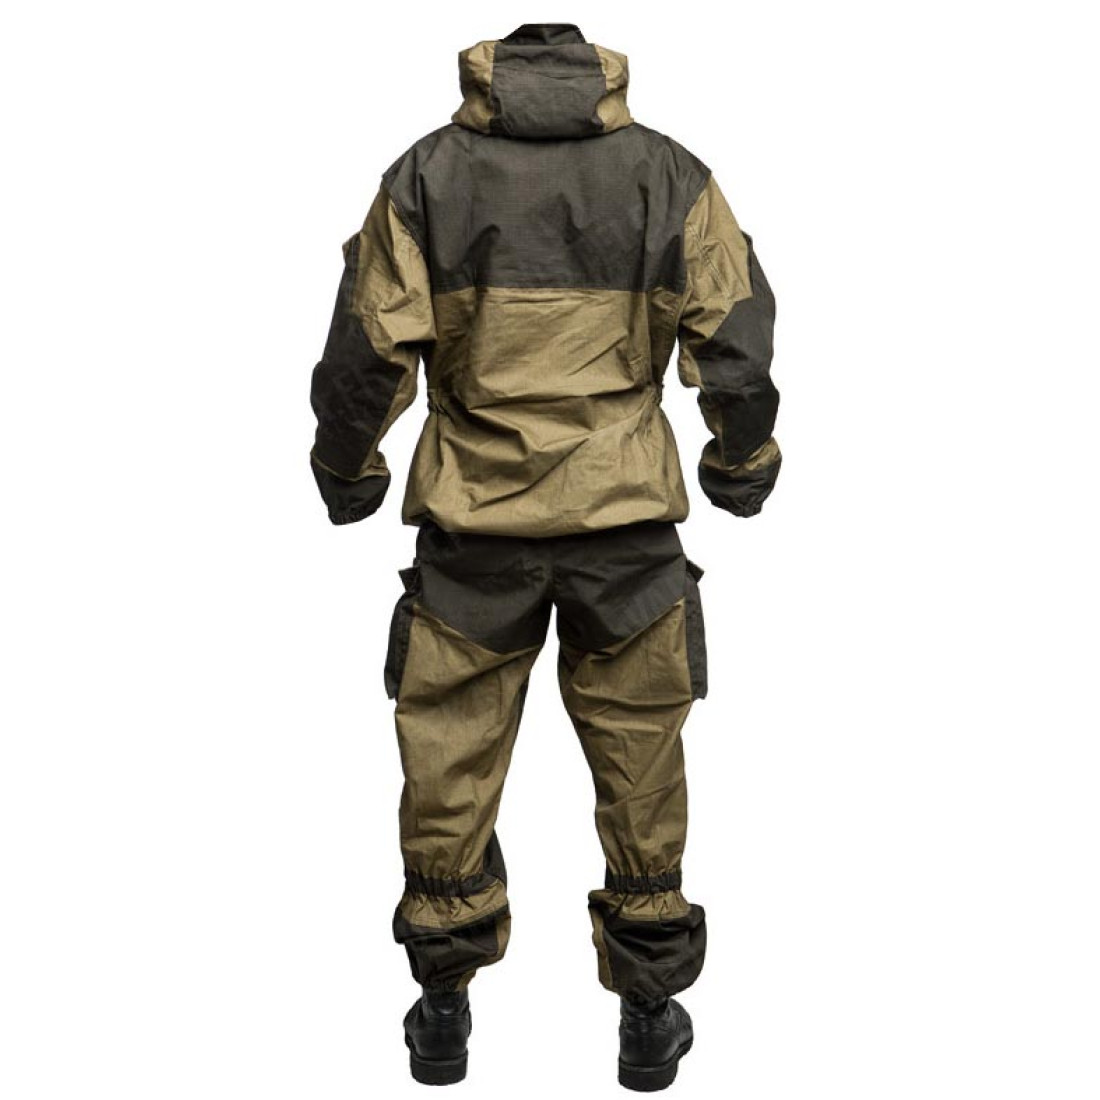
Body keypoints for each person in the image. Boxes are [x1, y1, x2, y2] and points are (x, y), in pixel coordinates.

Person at [308, 23, 781, 1091]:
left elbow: (367, 341)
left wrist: (346, 468)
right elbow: (737, 336)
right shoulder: (670, 175)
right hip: (628, 536)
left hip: (473, 535)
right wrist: (741, 460)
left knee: (448, 758)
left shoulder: (426, 175)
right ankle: (648, 1014)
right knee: (640, 762)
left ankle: (442, 1007)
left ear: (489, 79)